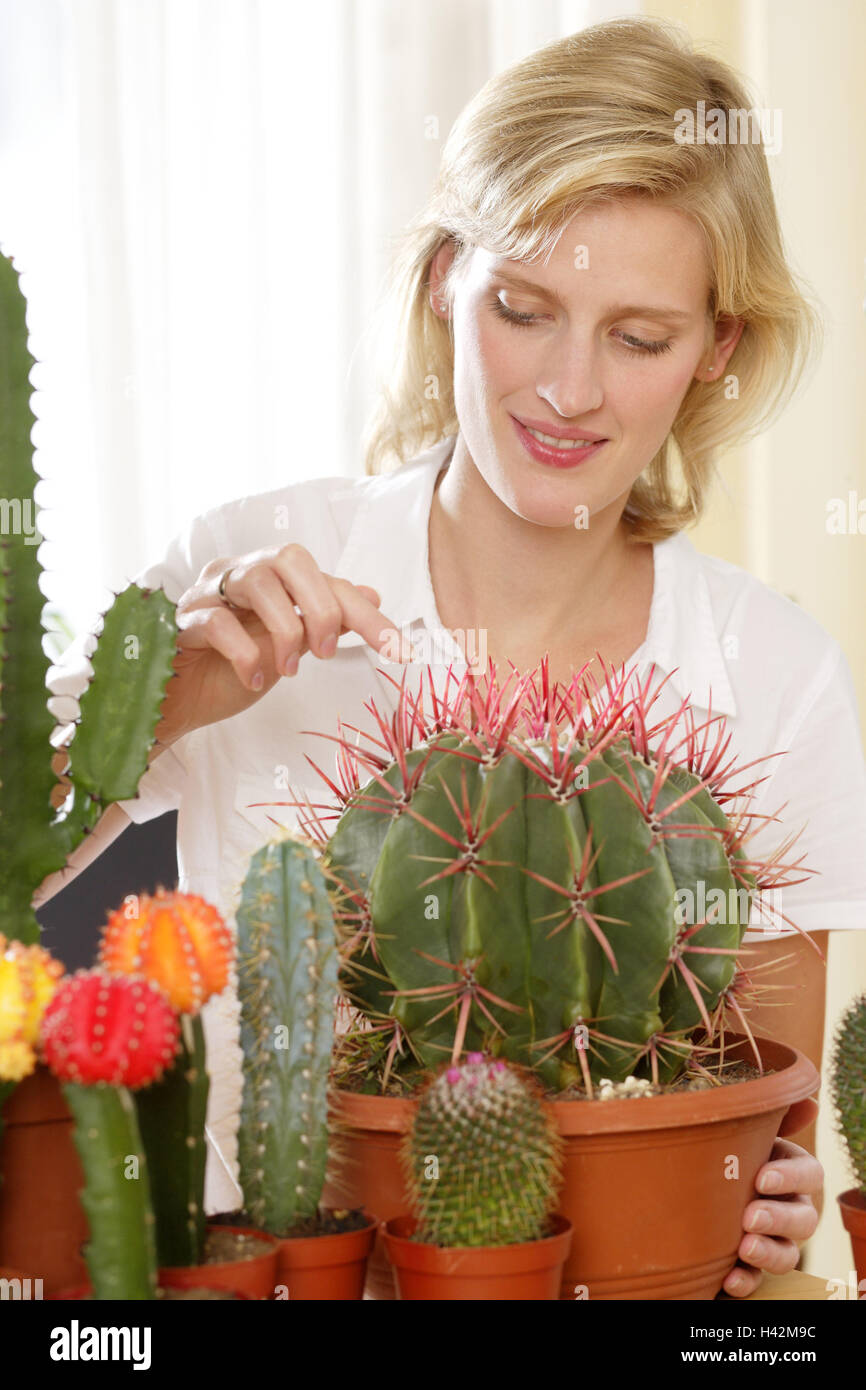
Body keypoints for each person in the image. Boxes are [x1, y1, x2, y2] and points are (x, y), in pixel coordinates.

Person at [37, 16, 866, 1297]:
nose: (568, 389)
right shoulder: (252, 561)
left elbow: (758, 1115)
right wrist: (163, 700)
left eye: (638, 337)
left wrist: (764, 1211)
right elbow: (9, 862)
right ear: (442, 281)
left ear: (718, 350)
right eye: (523, 310)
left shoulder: (773, 670)